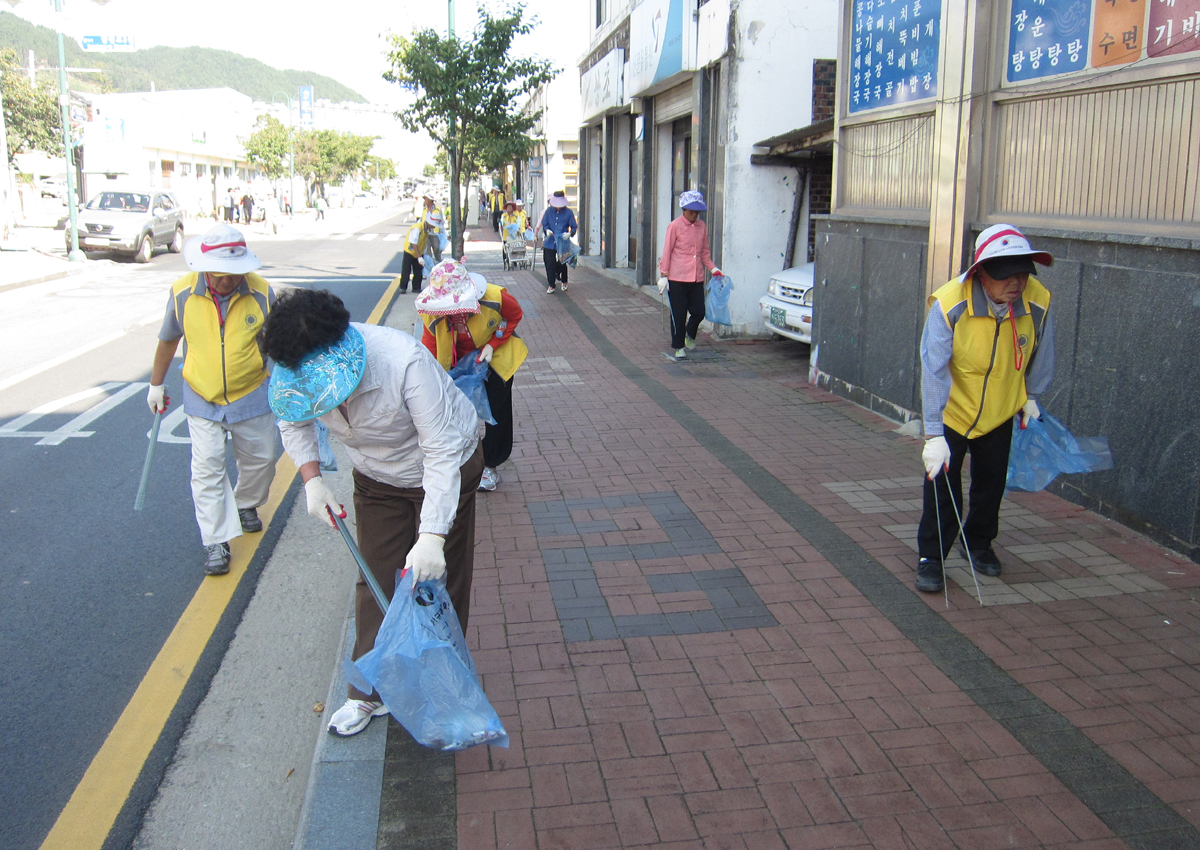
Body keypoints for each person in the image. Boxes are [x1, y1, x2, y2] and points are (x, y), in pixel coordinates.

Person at [260, 287, 483, 737]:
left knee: (437, 582)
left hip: (445, 466)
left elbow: (440, 451)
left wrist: (433, 536)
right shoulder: (294, 371)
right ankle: (369, 693)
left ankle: (446, 688)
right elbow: (293, 417)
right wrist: (312, 480)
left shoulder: (403, 362)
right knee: (375, 576)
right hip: (376, 479)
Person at [915, 223, 1055, 593]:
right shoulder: (950, 303)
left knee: (990, 485)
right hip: (954, 411)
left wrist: (1032, 396)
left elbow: (1041, 352)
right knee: (942, 485)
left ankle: (978, 542)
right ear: (980, 273)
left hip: (1000, 409)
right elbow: (933, 366)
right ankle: (931, 556)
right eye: (1006, 274)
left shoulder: (1037, 302)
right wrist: (933, 432)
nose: (1017, 283)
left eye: (1023, 272)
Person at [145, 223, 279, 575]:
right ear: (204, 269)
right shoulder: (182, 293)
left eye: (234, 275)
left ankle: (246, 503)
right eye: (221, 276)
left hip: (251, 392)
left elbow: (277, 344)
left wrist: (283, 383)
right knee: (206, 468)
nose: (227, 282)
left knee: (263, 459)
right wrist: (155, 384)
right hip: (201, 394)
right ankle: (216, 541)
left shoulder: (262, 293)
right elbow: (167, 340)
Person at [417, 260, 527, 492]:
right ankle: (457, 462)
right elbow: (429, 349)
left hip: (496, 360)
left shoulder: (495, 297)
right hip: (456, 364)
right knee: (453, 412)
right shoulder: (432, 314)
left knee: (497, 414)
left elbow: (514, 315)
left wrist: (494, 343)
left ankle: (490, 465)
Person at [658, 190, 721, 360]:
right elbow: (667, 251)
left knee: (699, 311)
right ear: (684, 210)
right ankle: (679, 347)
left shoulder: (701, 227)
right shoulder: (674, 226)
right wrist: (664, 275)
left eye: (697, 212)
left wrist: (713, 269)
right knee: (678, 314)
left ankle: (690, 335)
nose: (694, 215)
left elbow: (704, 252)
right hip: (677, 277)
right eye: (691, 211)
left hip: (696, 277)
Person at [538, 190, 577, 294]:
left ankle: (564, 281)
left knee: (562, 262)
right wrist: (547, 230)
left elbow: (574, 225)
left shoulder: (568, 212)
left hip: (562, 241)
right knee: (549, 262)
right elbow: (544, 223)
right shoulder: (548, 211)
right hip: (549, 241)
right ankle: (551, 284)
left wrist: (570, 233)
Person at [398, 216, 433, 294]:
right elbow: (413, 243)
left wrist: (421, 254)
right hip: (410, 251)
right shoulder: (417, 228)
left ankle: (416, 287)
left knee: (418, 270)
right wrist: (419, 257)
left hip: (419, 251)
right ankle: (403, 287)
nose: (433, 227)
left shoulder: (427, 230)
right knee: (406, 270)